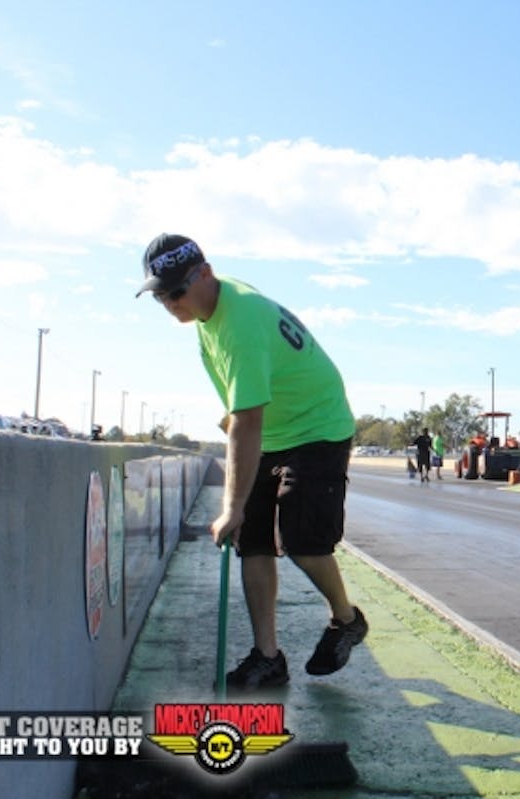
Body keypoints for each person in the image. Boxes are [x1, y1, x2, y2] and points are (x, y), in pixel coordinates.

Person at [137, 233, 367, 692]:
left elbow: (247, 421)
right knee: (253, 541)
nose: (169, 303)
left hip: (317, 425)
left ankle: (346, 619)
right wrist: (240, 508)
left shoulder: (239, 322)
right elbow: (239, 410)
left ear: (205, 273)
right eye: (160, 295)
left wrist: (230, 504)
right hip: (273, 428)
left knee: (302, 541)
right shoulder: (206, 314)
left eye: (175, 291)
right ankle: (268, 656)